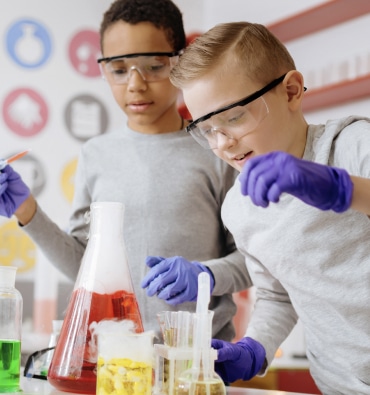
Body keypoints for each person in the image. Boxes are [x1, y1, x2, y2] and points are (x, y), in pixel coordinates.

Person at [0, 0, 251, 342]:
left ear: (180, 62)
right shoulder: (95, 154)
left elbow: (252, 259)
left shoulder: (217, 150)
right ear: (104, 70)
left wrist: (205, 274)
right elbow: (84, 267)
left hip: (197, 361)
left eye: (153, 66)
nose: (135, 84)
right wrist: (26, 209)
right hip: (114, 359)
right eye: (119, 70)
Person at [169, 21, 370, 394]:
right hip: (340, 386)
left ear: (291, 91)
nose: (222, 144)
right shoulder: (240, 208)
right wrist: (253, 348)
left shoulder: (353, 146)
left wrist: (341, 188)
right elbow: (278, 294)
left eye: (233, 117)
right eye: (207, 128)